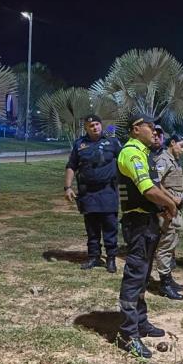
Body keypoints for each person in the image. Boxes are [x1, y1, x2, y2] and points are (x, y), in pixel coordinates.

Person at [116, 112, 179, 358]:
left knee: (143, 276)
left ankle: (140, 323)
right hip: (138, 222)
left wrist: (169, 201)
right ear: (135, 129)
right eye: (149, 127)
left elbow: (157, 186)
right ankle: (128, 334)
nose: (154, 131)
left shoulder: (145, 154)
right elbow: (149, 190)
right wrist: (171, 205)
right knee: (135, 277)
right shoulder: (131, 153)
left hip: (148, 221)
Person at [64, 114, 121, 272]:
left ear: (101, 125)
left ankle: (111, 259)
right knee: (92, 228)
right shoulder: (79, 144)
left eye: (97, 124)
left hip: (108, 191)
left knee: (110, 227)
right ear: (86, 128)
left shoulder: (113, 142)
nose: (94, 127)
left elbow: (124, 162)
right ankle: (93, 257)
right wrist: (67, 187)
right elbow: (71, 166)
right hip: (88, 193)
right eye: (91, 125)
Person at [154, 134, 183, 300]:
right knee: (166, 244)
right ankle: (164, 283)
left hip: (175, 207)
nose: (182, 150)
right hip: (167, 207)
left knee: (172, 241)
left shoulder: (173, 159)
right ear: (172, 143)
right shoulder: (164, 160)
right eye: (181, 146)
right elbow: (156, 183)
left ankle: (168, 278)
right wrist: (172, 198)